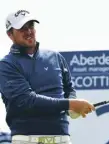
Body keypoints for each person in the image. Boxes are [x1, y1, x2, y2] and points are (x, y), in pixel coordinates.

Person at [0, 9, 95, 144]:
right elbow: (27, 101)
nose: (29, 32)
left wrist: (71, 107)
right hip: (27, 140)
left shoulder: (55, 57)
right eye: (22, 29)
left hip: (62, 139)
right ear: (10, 34)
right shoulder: (6, 65)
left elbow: (68, 89)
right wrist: (70, 103)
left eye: (31, 26)